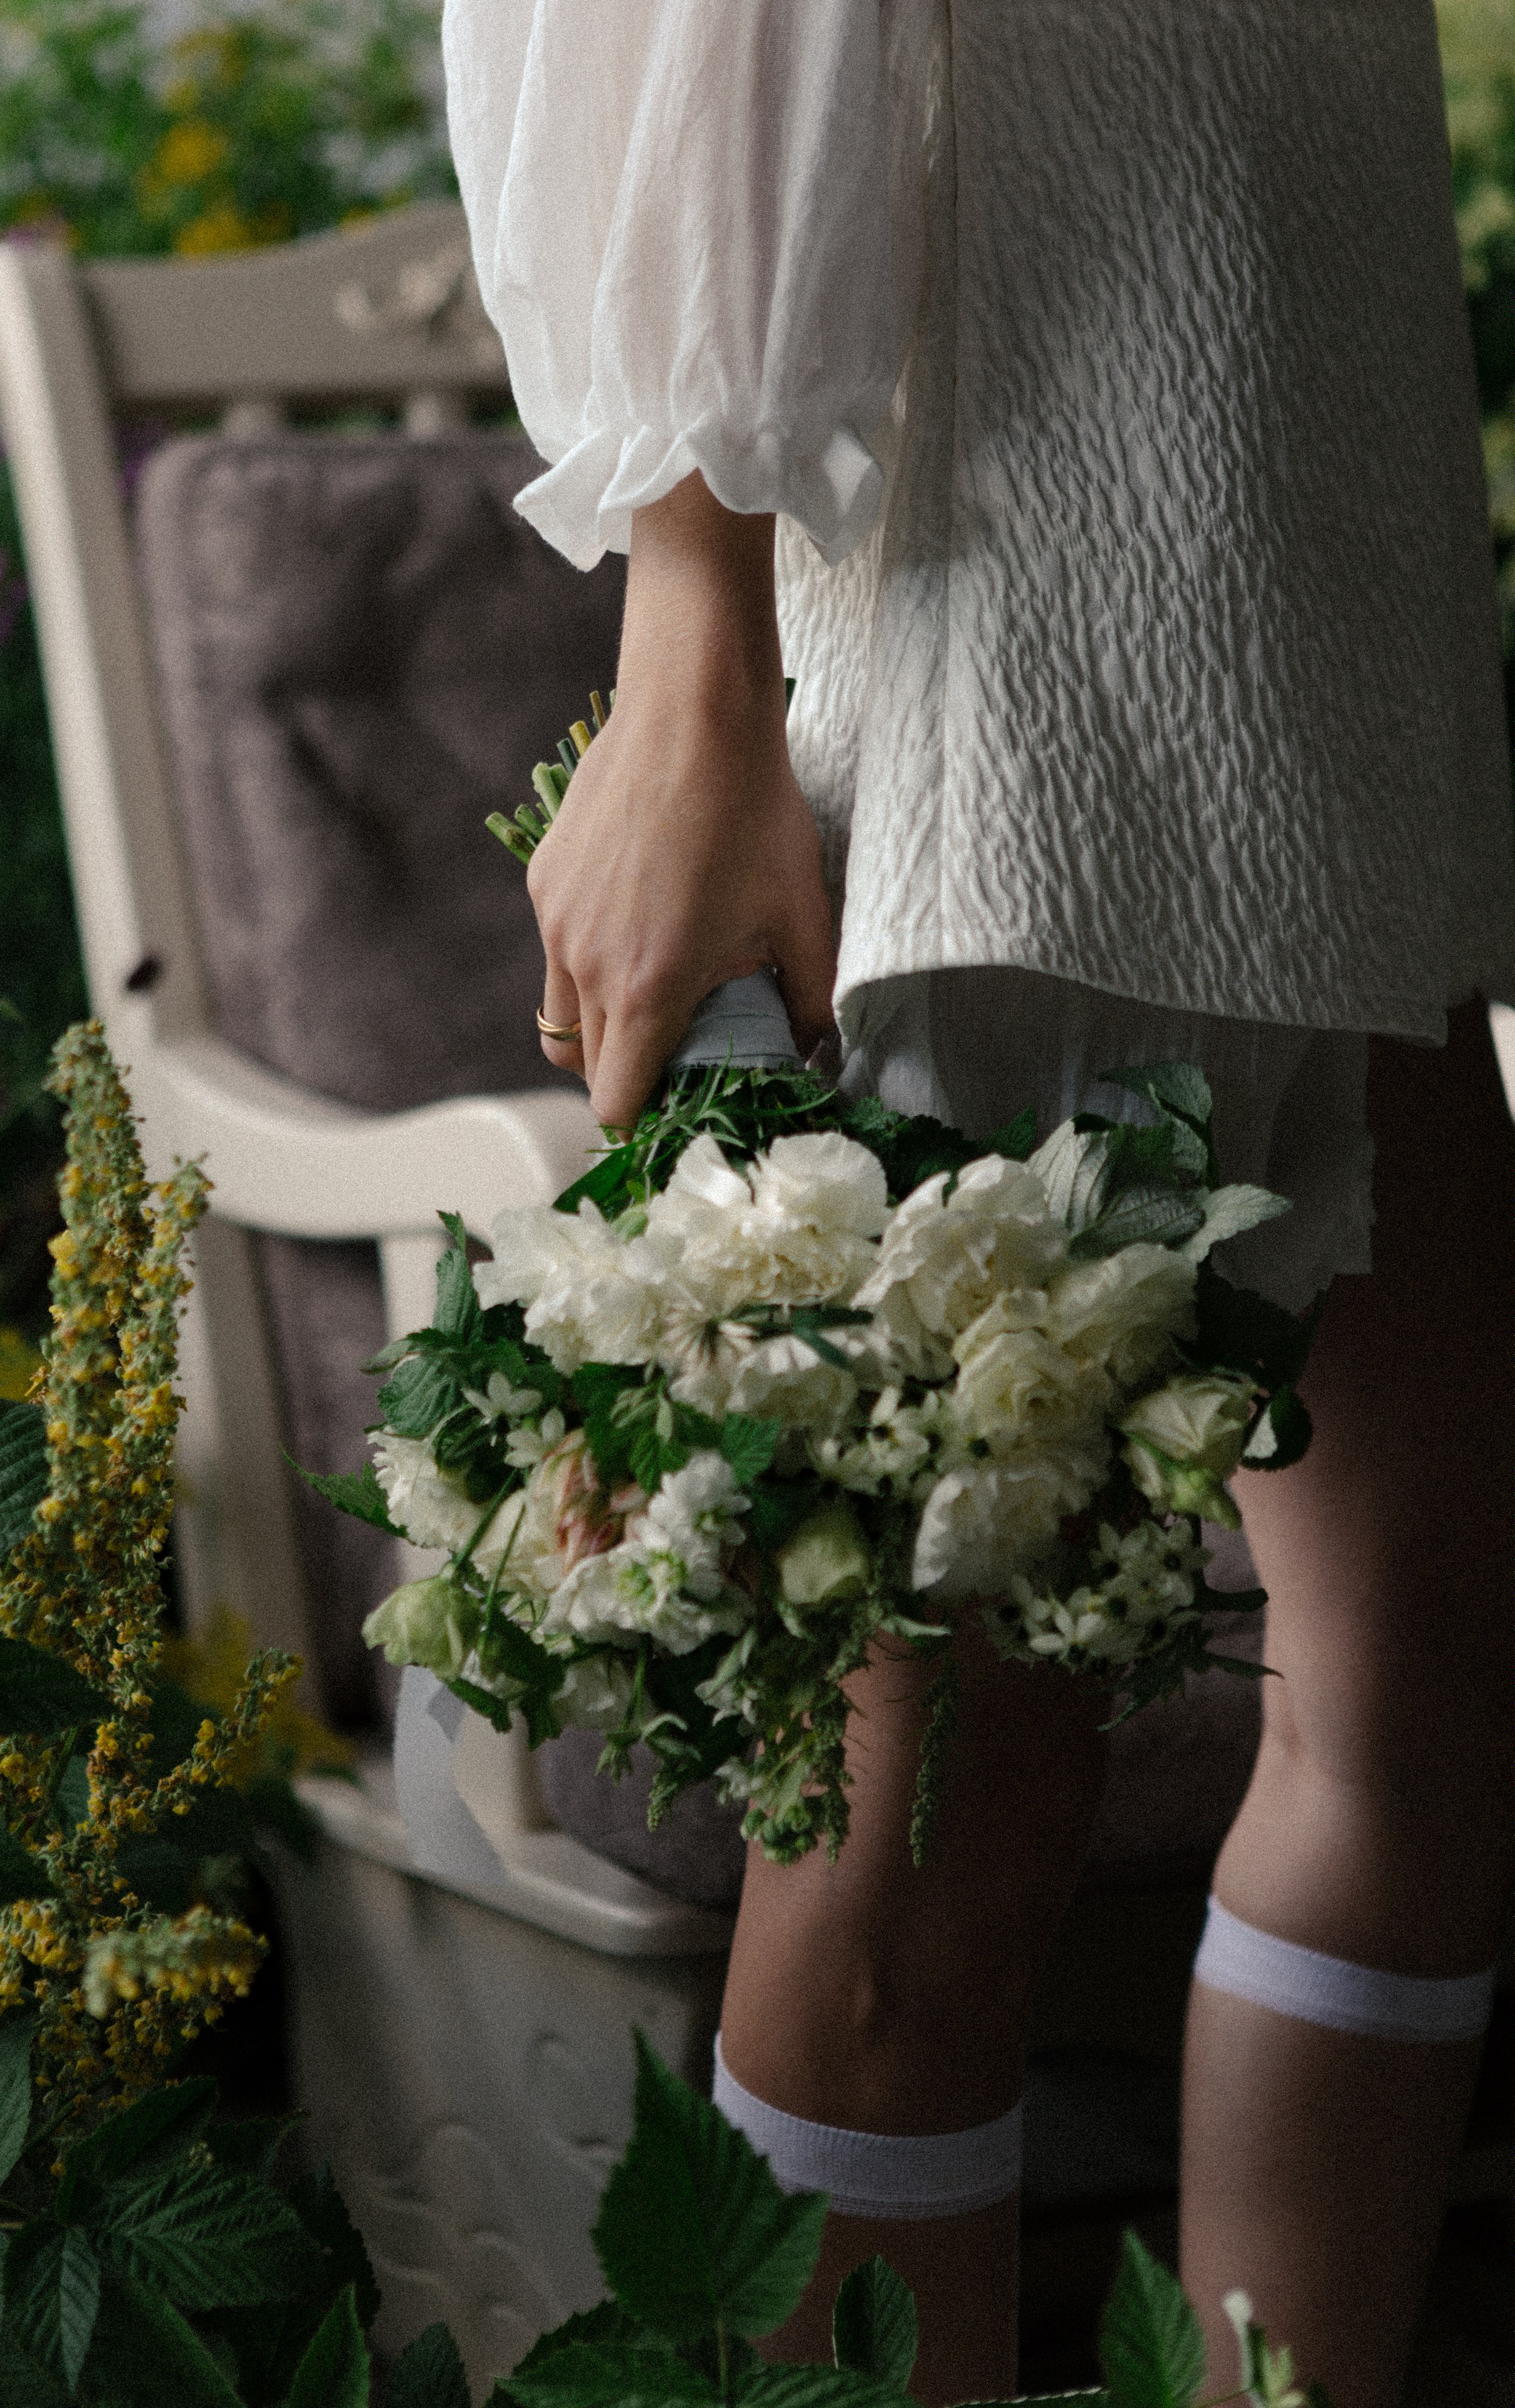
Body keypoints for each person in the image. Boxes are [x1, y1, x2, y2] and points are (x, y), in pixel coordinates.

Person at [439, 4, 1515, 2400]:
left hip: (1318, 450)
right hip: (1009, 516)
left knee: (1436, 1664)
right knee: (938, 1821)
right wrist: (689, 650)